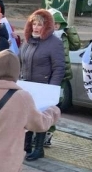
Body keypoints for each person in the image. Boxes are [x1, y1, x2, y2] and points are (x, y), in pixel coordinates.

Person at [19, 10, 65, 161]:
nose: (36, 27)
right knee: (27, 116)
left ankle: (39, 148)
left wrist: (51, 89)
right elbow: (21, 61)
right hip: (27, 85)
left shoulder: (54, 43)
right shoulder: (28, 41)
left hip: (44, 86)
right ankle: (26, 146)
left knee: (40, 118)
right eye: (34, 24)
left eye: (40, 24)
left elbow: (59, 68)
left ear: (47, 26)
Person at [46, 8, 82, 148]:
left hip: (62, 78)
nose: (56, 26)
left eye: (58, 23)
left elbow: (76, 46)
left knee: (54, 106)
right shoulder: (45, 37)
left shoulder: (64, 36)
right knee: (44, 106)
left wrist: (70, 30)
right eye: (53, 23)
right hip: (45, 77)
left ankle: (49, 133)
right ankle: (40, 133)